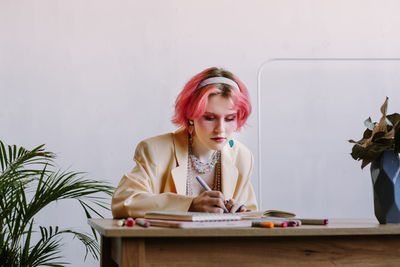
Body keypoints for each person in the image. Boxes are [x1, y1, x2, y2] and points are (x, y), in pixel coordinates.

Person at [112, 67, 258, 218]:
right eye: (209, 118)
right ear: (190, 116)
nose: (220, 129)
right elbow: (123, 202)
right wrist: (189, 205)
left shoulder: (242, 156)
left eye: (229, 118)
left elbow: (253, 216)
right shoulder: (156, 150)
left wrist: (240, 212)